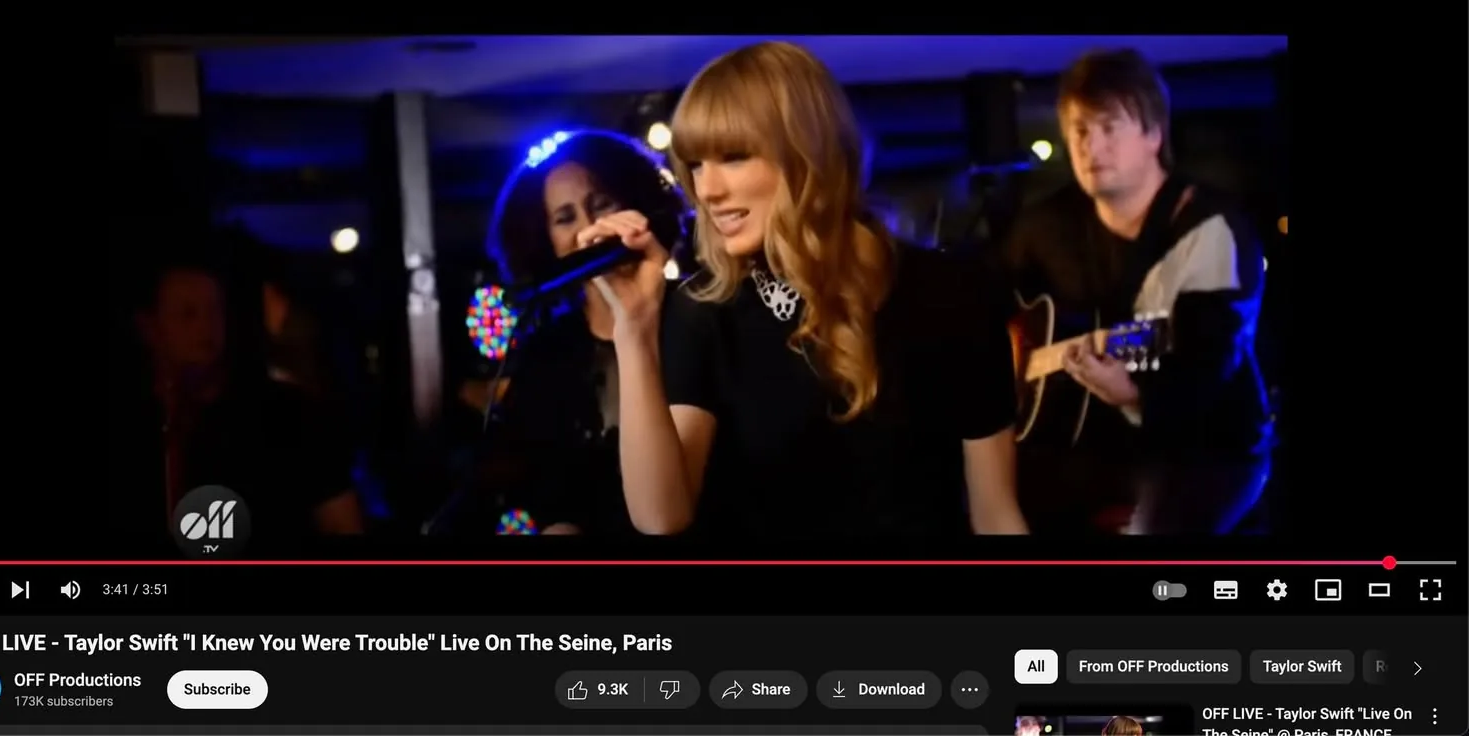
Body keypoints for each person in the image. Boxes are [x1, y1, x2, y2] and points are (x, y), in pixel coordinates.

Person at [578, 41, 1028, 538]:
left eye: (733, 157)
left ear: (807, 154)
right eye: (696, 164)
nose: (707, 189)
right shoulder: (706, 310)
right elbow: (661, 517)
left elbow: (996, 515)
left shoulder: (953, 293)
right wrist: (635, 328)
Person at [1002, 49, 1271, 535]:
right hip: (1092, 445)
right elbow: (984, 296)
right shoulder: (1046, 226)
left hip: (1209, 445)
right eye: (1080, 130)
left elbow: (1206, 364)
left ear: (1153, 134)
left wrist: (1135, 396)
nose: (1091, 147)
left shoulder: (1208, 229)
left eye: (1109, 128)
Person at [447, 130, 686, 537]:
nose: (589, 228)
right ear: (548, 242)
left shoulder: (693, 318)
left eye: (602, 205)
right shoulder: (547, 352)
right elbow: (550, 493)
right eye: (565, 218)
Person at [120, 254, 365, 543]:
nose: (206, 326)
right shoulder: (134, 423)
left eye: (215, 310)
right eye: (187, 313)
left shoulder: (288, 415)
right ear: (148, 327)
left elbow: (342, 525)